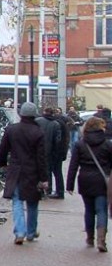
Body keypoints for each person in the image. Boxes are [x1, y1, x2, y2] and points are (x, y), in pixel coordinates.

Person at [0, 102, 48, 245]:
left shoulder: (11, 130)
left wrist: (2, 164)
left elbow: (3, 150)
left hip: (16, 170)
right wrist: (44, 177)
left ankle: (19, 232)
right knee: (32, 203)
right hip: (33, 172)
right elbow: (42, 157)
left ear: (21, 114)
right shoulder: (38, 132)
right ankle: (31, 232)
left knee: (17, 202)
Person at [65, 115, 112, 252]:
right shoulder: (107, 144)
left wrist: (69, 185)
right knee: (101, 210)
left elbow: (73, 166)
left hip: (85, 180)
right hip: (102, 181)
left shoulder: (80, 144)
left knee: (89, 210)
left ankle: (90, 237)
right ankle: (101, 240)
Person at [36, 107, 66, 199]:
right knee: (58, 172)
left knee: (45, 171)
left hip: (41, 151)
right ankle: (59, 192)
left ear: (44, 112)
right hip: (54, 153)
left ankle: (47, 190)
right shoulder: (57, 124)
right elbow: (59, 140)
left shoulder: (38, 121)